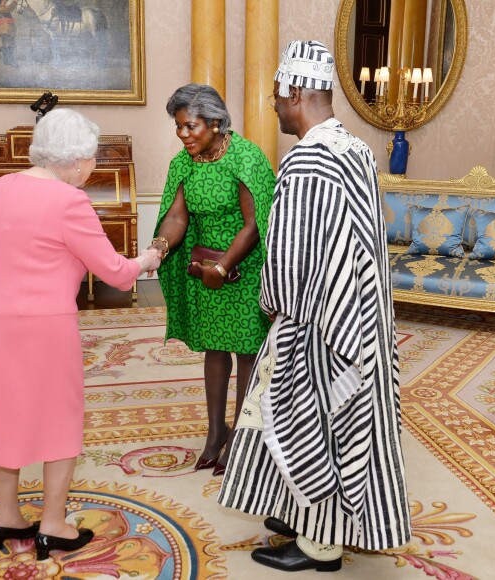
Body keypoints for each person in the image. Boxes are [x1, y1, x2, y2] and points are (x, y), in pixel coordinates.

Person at [218, 41, 411, 572]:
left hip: (320, 321)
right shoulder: (353, 149)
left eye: (277, 97)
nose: (273, 106)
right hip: (358, 315)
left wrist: (274, 306)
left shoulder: (307, 159)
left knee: (312, 422)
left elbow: (294, 255)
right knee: (339, 424)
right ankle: (300, 515)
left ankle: (320, 545)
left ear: (296, 91)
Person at [0, 108, 160, 561]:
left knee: (4, 412)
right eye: (91, 159)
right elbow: (116, 272)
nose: (92, 168)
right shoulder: (69, 202)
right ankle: (52, 524)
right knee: (59, 415)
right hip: (44, 325)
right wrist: (147, 259)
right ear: (74, 161)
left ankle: (7, 517)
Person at [151, 84, 275, 475]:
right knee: (214, 350)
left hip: (243, 268)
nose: (183, 135)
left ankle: (242, 434)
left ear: (216, 123)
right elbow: (177, 217)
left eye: (190, 126)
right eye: (179, 127)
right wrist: (159, 248)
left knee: (246, 352)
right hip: (204, 271)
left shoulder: (246, 158)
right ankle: (215, 433)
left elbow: (256, 224)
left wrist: (224, 268)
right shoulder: (184, 163)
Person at [0, 0, 19, 67]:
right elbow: (10, 8)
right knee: (10, 45)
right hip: (7, 29)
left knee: (6, 45)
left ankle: (6, 61)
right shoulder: (1, 7)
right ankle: (11, 62)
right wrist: (15, 1)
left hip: (4, 29)